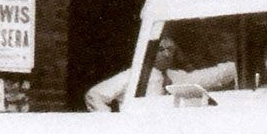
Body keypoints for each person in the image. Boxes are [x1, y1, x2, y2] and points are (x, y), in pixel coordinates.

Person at [83, 37, 236, 112]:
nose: (167, 54)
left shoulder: (177, 76)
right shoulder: (133, 75)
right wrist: (113, 123)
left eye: (171, 50)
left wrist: (235, 67)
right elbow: (94, 95)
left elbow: (210, 77)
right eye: (161, 50)